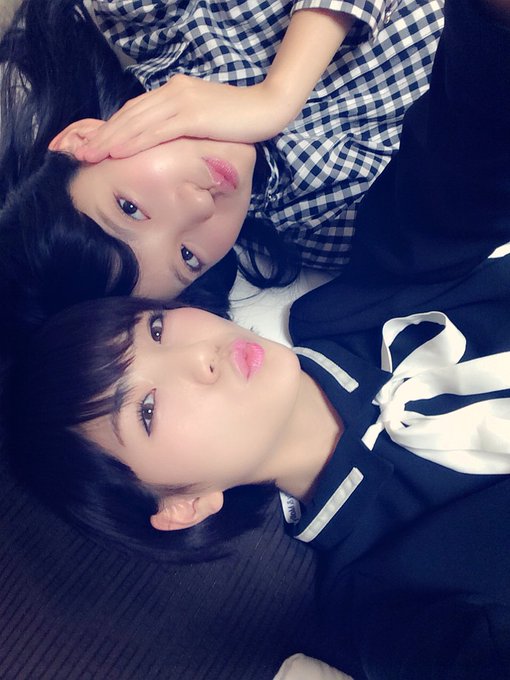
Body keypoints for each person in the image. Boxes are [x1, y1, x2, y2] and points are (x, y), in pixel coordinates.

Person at [3, 0, 509, 676]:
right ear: (184, 506)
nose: (198, 357)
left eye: (157, 328)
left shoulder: (367, 292)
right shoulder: (400, 603)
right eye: (146, 410)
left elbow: (469, 137)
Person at [0, 0, 443, 342]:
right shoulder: (335, 223)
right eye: (187, 257)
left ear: (81, 140)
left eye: (130, 208)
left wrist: (276, 97)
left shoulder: (151, 18)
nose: (199, 206)